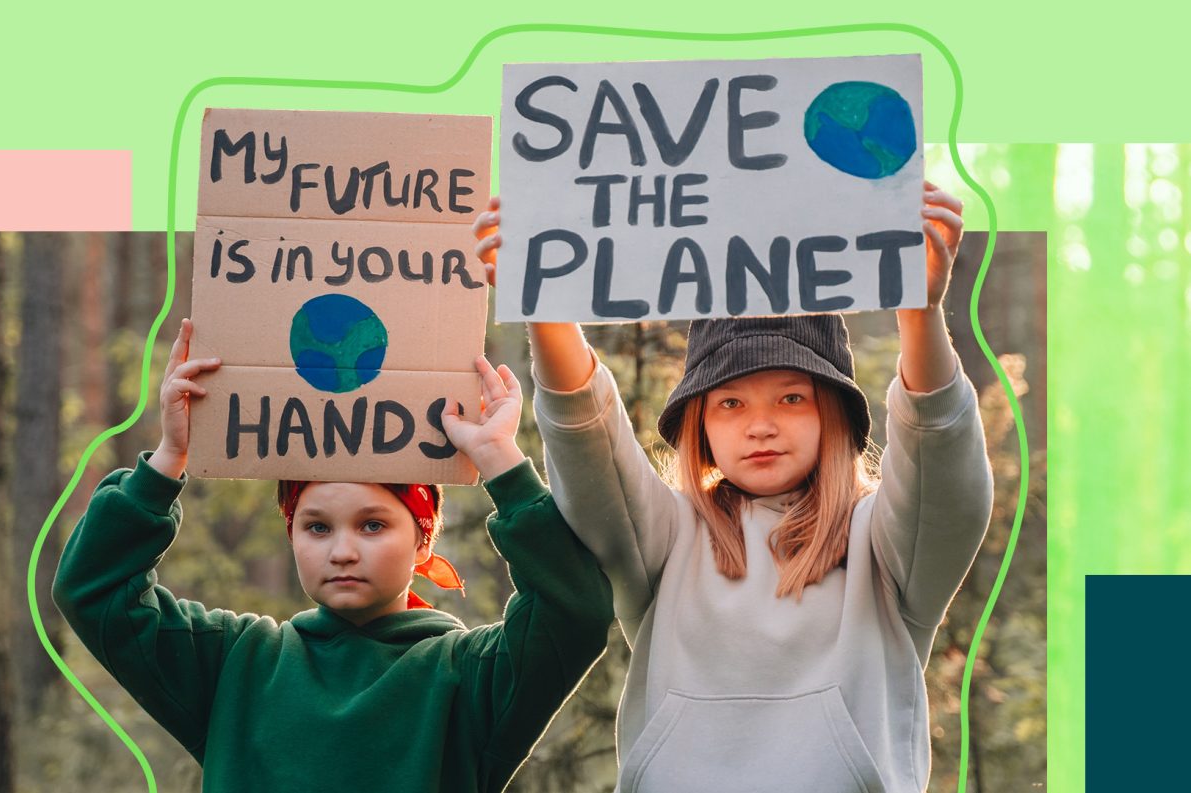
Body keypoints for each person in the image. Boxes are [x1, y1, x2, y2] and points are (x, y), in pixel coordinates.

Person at [474, 183, 995, 792]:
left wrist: (920, 310)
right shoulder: (668, 539)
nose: (761, 424)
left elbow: (942, 469)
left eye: (792, 397)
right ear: (700, 425)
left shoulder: (884, 549)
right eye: (729, 402)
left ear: (835, 415)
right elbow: (592, 450)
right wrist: (543, 306)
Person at [52, 318, 613, 793]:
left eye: (373, 525)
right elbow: (95, 588)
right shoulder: (234, 665)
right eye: (317, 527)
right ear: (291, 535)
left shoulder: (468, 677)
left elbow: (574, 612)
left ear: (423, 540)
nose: (343, 551)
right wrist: (169, 459)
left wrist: (501, 462)